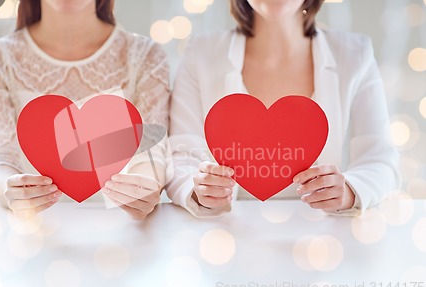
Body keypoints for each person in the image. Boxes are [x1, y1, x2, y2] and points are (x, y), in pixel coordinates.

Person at [166, 0, 399, 218]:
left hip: (324, 241)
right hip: (225, 238)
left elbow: (381, 161)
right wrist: (198, 189)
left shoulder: (355, 54)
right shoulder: (201, 53)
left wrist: (348, 190)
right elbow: (181, 157)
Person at [0, 0, 170, 219]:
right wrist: (10, 191)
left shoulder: (145, 56)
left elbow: (151, 153)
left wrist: (145, 190)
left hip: (120, 229)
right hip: (31, 229)